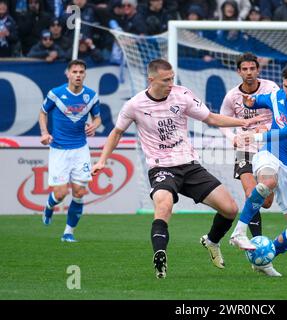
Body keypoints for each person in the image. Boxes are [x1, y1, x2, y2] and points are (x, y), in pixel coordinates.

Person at [91, 59, 270, 279]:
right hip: (161, 168)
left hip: (189, 165)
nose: (170, 83)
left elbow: (211, 118)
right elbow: (116, 133)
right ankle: (160, 256)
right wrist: (102, 160)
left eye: (172, 78)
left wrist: (241, 123)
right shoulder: (134, 105)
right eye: (166, 80)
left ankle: (212, 242)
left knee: (230, 209)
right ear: (151, 79)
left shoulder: (182, 95)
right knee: (164, 206)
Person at [229, 59, 287, 277]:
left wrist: (254, 135)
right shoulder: (277, 95)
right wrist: (250, 102)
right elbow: (256, 101)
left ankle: (266, 257)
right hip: (269, 155)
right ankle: (239, 232)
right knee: (268, 182)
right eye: (285, 86)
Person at [39, 59, 102, 242]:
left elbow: (97, 118)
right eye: (74, 72)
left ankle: (68, 232)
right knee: (60, 194)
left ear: (85, 74)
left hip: (80, 149)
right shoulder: (56, 94)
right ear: (68, 74)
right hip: (59, 149)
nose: (78, 75)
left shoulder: (91, 96)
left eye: (81, 72)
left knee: (80, 192)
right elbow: (43, 112)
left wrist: (94, 125)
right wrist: (44, 132)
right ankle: (50, 206)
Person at [219, 52, 278, 238]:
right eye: (245, 69)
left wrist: (266, 127)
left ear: (258, 69)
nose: (249, 72)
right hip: (245, 147)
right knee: (250, 192)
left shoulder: (271, 89)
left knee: (266, 201)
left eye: (252, 68)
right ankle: (256, 242)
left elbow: (283, 116)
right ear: (239, 72)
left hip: (269, 146)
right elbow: (223, 120)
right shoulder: (232, 96)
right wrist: (232, 138)